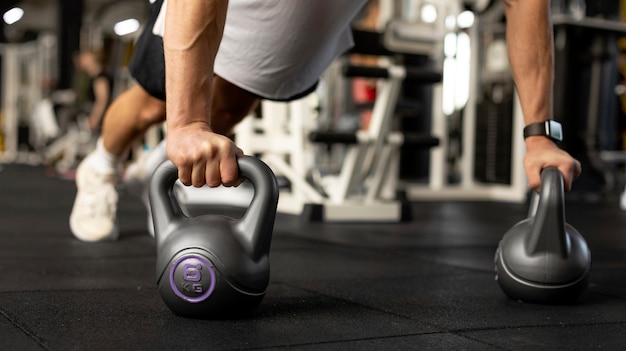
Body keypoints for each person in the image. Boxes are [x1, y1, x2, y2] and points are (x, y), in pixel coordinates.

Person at [69, 0, 581, 242]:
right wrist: (183, 123)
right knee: (154, 106)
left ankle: (159, 169)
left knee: (225, 113)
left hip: (302, 21)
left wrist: (540, 136)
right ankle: (102, 167)